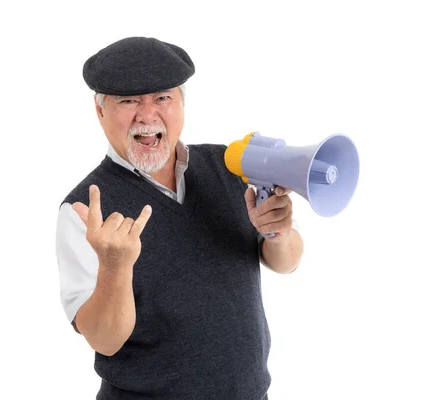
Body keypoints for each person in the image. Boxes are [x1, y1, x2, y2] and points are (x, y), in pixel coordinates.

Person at [55, 36, 304, 400]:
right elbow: (105, 341)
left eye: (162, 98)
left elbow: (286, 262)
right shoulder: (83, 210)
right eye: (128, 100)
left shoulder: (227, 166)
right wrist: (115, 266)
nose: (147, 114)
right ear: (100, 110)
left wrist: (278, 232)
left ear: (181, 103)